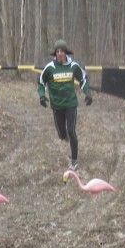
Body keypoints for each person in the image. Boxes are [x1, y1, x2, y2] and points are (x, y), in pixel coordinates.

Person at [37, 39, 91, 171]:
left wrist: (88, 93)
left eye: (62, 51)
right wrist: (42, 96)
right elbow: (41, 82)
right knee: (62, 134)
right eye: (57, 51)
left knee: (71, 131)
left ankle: (74, 161)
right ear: (55, 53)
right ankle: (64, 136)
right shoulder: (50, 68)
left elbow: (83, 79)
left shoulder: (73, 66)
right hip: (57, 106)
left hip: (70, 104)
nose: (59, 53)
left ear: (66, 52)